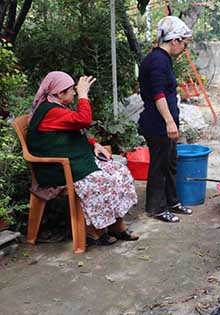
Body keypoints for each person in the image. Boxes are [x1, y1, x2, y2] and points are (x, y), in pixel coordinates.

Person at [27, 71, 139, 246]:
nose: (74, 93)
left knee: (119, 171)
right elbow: (83, 120)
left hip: (72, 161)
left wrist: (93, 143)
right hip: (56, 169)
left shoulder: (57, 107)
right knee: (100, 179)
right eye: (71, 90)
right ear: (59, 94)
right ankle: (95, 231)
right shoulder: (50, 111)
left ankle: (117, 226)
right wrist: (84, 95)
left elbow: (70, 130)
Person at [138, 16, 193, 223]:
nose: (184, 49)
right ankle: (156, 208)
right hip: (157, 123)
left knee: (170, 163)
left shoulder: (161, 58)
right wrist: (169, 122)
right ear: (175, 40)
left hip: (165, 122)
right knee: (159, 165)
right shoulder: (157, 61)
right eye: (184, 44)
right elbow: (158, 94)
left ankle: (172, 201)